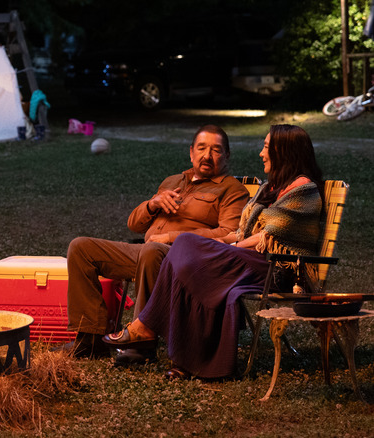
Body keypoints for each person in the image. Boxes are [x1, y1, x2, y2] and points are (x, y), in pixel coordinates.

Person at [105, 124, 324, 380]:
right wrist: (223, 246)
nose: (261, 154)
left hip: (276, 270)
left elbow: (266, 238)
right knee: (189, 253)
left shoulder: (303, 191)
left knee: (189, 250)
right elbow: (242, 233)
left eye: (266, 147)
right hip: (248, 261)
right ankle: (186, 360)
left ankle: (145, 325)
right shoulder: (270, 188)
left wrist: (224, 249)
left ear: (284, 152)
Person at [66, 125, 249, 361]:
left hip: (186, 260)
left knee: (152, 250)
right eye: (202, 148)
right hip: (145, 253)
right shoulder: (173, 181)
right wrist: (153, 204)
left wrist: (171, 238)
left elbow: (229, 233)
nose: (207, 155)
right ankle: (90, 339)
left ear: (226, 156)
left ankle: (142, 341)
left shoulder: (232, 190)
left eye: (216, 150)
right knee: (81, 248)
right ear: (191, 152)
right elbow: (134, 225)